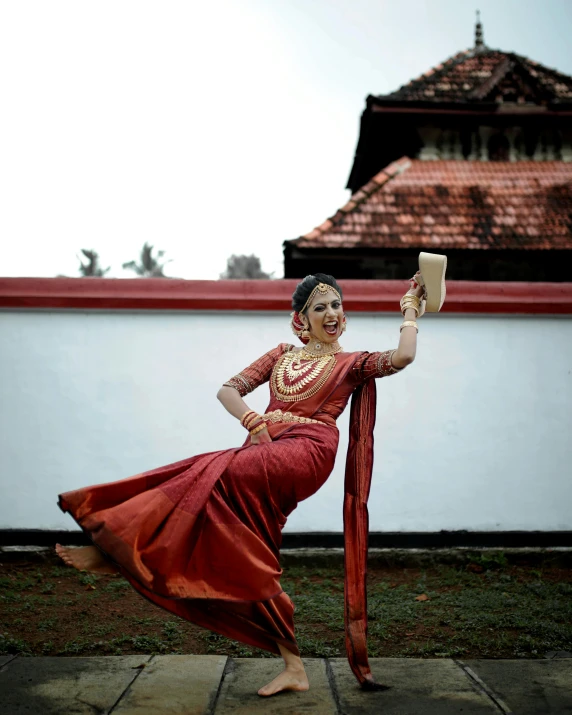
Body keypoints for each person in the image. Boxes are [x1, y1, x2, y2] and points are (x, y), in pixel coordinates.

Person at [55, 262, 445, 696]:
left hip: (306, 451)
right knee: (247, 549)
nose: (332, 313)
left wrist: (410, 309)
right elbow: (228, 389)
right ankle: (294, 666)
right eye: (321, 307)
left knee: (211, 468)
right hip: (262, 448)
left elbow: (403, 357)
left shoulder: (353, 363)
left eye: (337, 304)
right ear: (302, 319)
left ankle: (114, 551)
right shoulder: (280, 354)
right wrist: (251, 419)